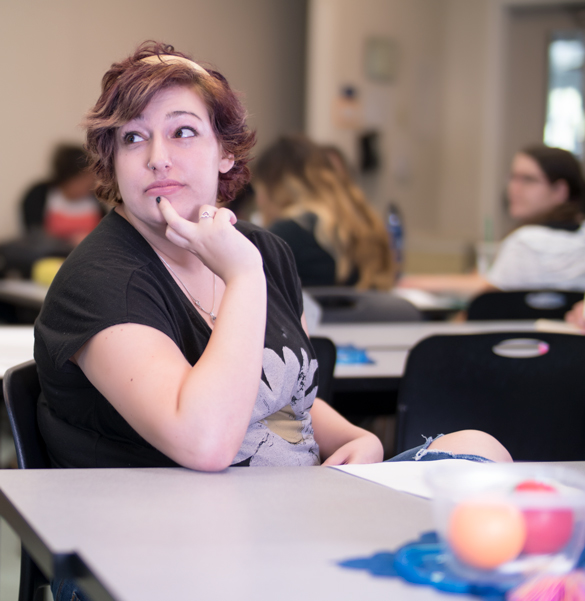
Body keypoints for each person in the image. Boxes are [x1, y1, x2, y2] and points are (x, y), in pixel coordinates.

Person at [34, 41, 511, 601]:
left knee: (481, 453)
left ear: (225, 154)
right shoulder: (104, 278)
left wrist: (357, 437)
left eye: (183, 132)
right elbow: (205, 444)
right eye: (133, 138)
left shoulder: (262, 250)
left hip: (289, 516)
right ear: (113, 162)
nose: (157, 156)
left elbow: (283, 391)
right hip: (159, 553)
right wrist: (243, 278)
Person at [398, 144, 585, 295]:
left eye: (528, 179)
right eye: (513, 177)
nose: (514, 188)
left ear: (560, 190)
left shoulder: (528, 241)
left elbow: (483, 288)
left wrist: (406, 282)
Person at [253, 135, 395, 289]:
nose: (258, 201)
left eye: (258, 190)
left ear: (275, 188)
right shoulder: (364, 224)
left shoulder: (284, 236)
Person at [21, 144, 104, 246]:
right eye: (81, 179)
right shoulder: (39, 195)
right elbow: (34, 236)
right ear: (67, 178)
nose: (89, 183)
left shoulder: (95, 199)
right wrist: (69, 241)